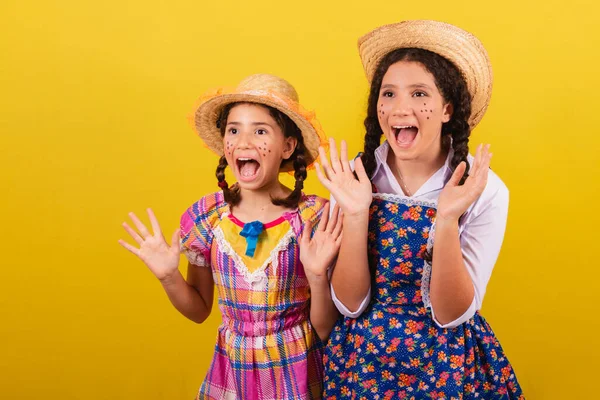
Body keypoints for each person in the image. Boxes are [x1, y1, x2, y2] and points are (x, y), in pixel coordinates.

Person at [316, 21, 524, 399]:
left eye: (418, 94)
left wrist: (446, 219)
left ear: (447, 109)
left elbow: (451, 315)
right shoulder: (355, 180)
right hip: (364, 363)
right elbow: (349, 305)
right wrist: (357, 213)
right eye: (389, 94)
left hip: (445, 367)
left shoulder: (486, 190)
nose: (400, 108)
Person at [119, 74, 340, 399]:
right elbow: (198, 310)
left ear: (288, 147)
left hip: (296, 370)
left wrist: (318, 277)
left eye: (260, 131)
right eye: (234, 130)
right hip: (232, 372)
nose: (244, 142)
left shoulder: (313, 218)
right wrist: (168, 276)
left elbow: (325, 329)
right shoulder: (206, 218)